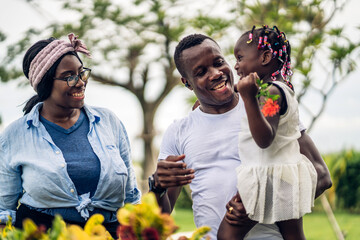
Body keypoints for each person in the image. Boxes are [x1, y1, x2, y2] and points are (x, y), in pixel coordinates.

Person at [148, 33, 331, 239]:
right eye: (201, 72)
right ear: (187, 82)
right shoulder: (178, 132)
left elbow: (321, 176)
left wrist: (259, 205)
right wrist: (157, 187)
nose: (216, 73)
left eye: (219, 62)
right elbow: (161, 216)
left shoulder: (266, 108)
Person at [0, 33, 141, 237]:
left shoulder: (109, 122)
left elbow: (131, 198)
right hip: (44, 233)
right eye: (69, 77)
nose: (80, 82)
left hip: (107, 233)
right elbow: (4, 212)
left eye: (82, 73)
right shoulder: (16, 135)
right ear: (45, 83)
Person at [217, 25, 317, 239]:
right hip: (286, 176)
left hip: (265, 177)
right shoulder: (279, 89)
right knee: (293, 235)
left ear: (265, 57)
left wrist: (248, 99)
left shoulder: (270, 93)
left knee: (227, 234)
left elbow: (265, 138)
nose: (236, 66)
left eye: (240, 57)